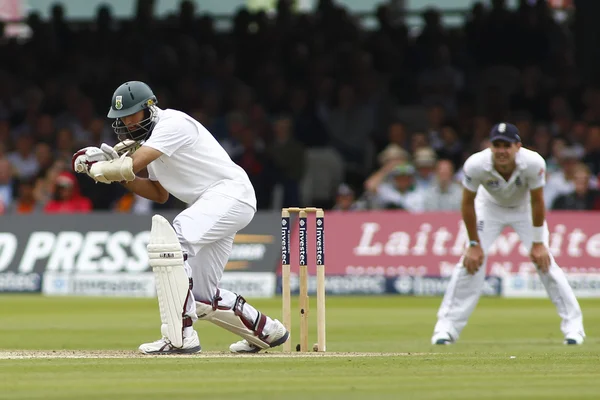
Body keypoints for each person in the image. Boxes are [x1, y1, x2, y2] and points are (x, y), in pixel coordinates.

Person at [72, 81, 289, 354]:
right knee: (200, 297)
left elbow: (131, 165)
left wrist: (100, 167)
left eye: (131, 114)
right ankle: (267, 331)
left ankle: (180, 336)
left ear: (149, 108)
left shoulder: (172, 124)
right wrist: (119, 176)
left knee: (176, 238)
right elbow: (158, 193)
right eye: (122, 118)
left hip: (229, 193)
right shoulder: (146, 143)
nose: (126, 122)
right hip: (213, 203)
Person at [431, 123, 585, 346]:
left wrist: (538, 242)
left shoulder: (533, 163)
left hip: (524, 209)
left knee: (545, 263)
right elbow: (467, 203)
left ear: (518, 147)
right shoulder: (476, 164)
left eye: (507, 145)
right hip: (489, 208)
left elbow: (537, 201)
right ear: (490, 146)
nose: (501, 150)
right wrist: (473, 244)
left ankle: (574, 329)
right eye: (497, 145)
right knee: (470, 264)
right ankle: (445, 330)